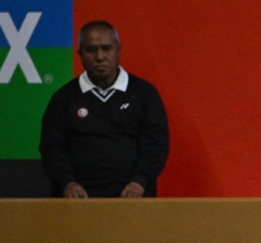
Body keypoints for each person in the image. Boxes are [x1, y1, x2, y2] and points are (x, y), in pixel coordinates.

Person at [39, 21, 169, 198]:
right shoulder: (63, 98)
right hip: (77, 202)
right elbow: (51, 148)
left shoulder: (144, 94)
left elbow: (156, 145)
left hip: (133, 199)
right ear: (80, 54)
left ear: (118, 50)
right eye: (91, 50)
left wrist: (139, 182)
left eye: (106, 48)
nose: (99, 57)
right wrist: (67, 183)